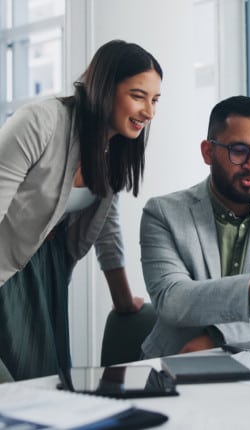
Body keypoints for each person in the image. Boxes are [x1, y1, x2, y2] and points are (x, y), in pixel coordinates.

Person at [0, 39, 162, 381]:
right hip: (7, 269)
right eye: (138, 96)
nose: (149, 112)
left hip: (48, 271)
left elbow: (105, 224)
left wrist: (122, 299)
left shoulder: (114, 148)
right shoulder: (40, 122)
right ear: (104, 88)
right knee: (19, 387)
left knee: (49, 383)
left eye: (155, 100)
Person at [139, 96, 250, 358]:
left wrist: (217, 337)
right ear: (208, 152)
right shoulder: (162, 213)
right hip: (176, 360)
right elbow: (172, 300)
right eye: (238, 151)